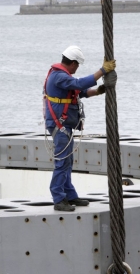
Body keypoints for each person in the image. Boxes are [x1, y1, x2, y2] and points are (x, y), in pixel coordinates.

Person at [43, 45, 116, 211]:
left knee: (67, 161)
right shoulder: (58, 77)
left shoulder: (63, 76)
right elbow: (78, 83)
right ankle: (58, 199)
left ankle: (70, 195)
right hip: (59, 126)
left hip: (65, 126)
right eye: (77, 65)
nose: (77, 68)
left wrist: (98, 91)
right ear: (73, 63)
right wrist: (102, 71)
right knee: (62, 162)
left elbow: (80, 91)